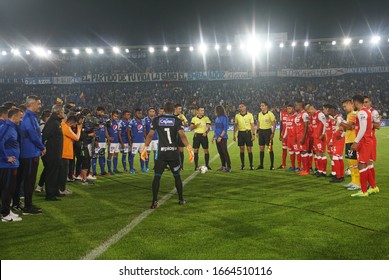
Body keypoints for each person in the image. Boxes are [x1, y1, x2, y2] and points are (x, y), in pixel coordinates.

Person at [141, 101, 194, 209]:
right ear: (173, 110)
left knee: (157, 177)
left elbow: (150, 135)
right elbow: (182, 135)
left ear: (164, 109)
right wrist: (189, 148)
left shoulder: (157, 120)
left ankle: (154, 201)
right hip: (173, 153)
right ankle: (181, 199)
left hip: (161, 154)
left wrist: (144, 148)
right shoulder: (177, 120)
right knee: (177, 177)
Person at [17, 95, 46, 214]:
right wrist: (41, 146)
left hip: (31, 152)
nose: (40, 106)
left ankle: (27, 205)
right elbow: (32, 134)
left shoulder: (30, 116)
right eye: (38, 104)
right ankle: (27, 208)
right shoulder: (28, 117)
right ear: (31, 104)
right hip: (29, 153)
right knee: (29, 181)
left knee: (29, 181)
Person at [350, 95, 379, 197]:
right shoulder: (366, 111)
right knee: (367, 164)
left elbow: (363, 128)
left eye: (353, 103)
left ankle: (363, 191)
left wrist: (356, 142)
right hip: (368, 141)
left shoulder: (362, 112)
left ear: (356, 103)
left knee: (361, 165)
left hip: (364, 141)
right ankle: (374, 187)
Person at [0, 108, 23, 222]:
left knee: (10, 189)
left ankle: (7, 210)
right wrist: (6, 157)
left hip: (12, 164)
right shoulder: (6, 127)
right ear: (14, 117)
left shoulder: (12, 128)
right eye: (20, 116)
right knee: (6, 189)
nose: (21, 119)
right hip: (6, 165)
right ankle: (5, 214)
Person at [42, 105, 65, 201]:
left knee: (55, 173)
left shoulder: (56, 122)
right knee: (51, 173)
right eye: (63, 112)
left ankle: (54, 191)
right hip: (52, 154)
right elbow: (45, 136)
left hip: (56, 153)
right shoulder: (53, 123)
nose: (64, 113)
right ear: (58, 113)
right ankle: (50, 195)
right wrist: (44, 148)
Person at [59, 115, 82, 195]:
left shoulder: (62, 125)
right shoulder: (66, 127)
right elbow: (76, 138)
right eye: (74, 124)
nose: (74, 126)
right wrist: (79, 129)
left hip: (63, 152)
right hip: (65, 153)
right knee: (64, 173)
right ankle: (61, 189)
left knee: (63, 172)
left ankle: (62, 188)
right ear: (72, 122)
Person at [342, 99, 360, 190]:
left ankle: (358, 183)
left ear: (351, 104)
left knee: (354, 162)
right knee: (351, 162)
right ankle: (354, 181)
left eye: (345, 106)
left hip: (353, 140)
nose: (344, 108)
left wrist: (340, 122)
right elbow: (349, 127)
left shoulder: (353, 113)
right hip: (348, 140)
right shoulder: (349, 115)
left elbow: (349, 126)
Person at [363, 96, 380, 192]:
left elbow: (378, 126)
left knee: (369, 162)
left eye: (366, 102)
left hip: (370, 139)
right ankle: (369, 183)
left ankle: (372, 184)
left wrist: (368, 123)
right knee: (364, 162)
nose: (365, 104)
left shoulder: (374, 112)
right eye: (364, 102)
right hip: (363, 140)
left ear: (370, 102)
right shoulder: (361, 112)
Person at [233, 102, 255, 170]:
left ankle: (251, 165)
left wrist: (253, 134)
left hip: (248, 133)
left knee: (249, 149)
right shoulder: (237, 116)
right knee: (241, 149)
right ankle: (242, 165)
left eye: (242, 106)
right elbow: (235, 126)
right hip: (240, 133)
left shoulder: (250, 115)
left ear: (245, 107)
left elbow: (252, 126)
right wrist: (234, 135)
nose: (241, 108)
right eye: (240, 107)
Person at [308, 104, 327, 177]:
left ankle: (324, 172)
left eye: (310, 111)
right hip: (315, 138)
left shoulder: (320, 114)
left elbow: (325, 124)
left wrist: (323, 134)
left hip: (320, 138)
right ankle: (320, 170)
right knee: (317, 154)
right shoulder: (313, 116)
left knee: (322, 154)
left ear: (312, 108)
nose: (310, 113)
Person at [190, 106, 212, 171]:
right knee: (196, 150)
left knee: (206, 150)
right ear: (198, 111)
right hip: (197, 136)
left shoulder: (206, 118)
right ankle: (196, 166)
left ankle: (207, 165)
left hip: (203, 136)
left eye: (203, 110)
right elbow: (191, 128)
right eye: (201, 110)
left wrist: (206, 132)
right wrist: (196, 126)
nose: (203, 112)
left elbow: (208, 127)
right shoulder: (194, 119)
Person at [328, 106, 346, 183]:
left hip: (339, 140)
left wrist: (341, 136)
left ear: (334, 110)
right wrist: (332, 140)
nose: (329, 112)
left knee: (335, 157)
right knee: (339, 158)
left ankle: (338, 177)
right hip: (336, 139)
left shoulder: (339, 118)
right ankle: (341, 175)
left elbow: (345, 127)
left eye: (330, 110)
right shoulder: (334, 119)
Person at [256, 102, 276, 170]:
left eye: (263, 106)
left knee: (270, 149)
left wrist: (273, 133)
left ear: (266, 106)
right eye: (261, 106)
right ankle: (261, 165)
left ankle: (272, 165)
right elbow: (258, 123)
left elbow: (274, 124)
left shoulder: (270, 114)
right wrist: (257, 132)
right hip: (261, 132)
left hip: (268, 132)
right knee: (261, 149)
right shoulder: (259, 114)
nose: (261, 107)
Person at [35, 110, 52, 193]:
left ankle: (41, 185)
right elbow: (42, 139)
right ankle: (40, 185)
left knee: (48, 168)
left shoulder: (43, 125)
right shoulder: (43, 126)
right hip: (43, 150)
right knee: (48, 167)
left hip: (43, 149)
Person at [212, 105, 231, 172]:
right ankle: (223, 166)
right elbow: (216, 129)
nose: (215, 112)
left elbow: (225, 129)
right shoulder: (217, 118)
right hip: (217, 138)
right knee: (220, 152)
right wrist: (213, 137)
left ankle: (228, 167)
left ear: (218, 110)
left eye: (216, 110)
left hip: (223, 138)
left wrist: (220, 137)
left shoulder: (224, 118)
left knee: (225, 152)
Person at [294, 101, 310, 176]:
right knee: (301, 152)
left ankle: (307, 170)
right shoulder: (298, 114)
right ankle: (304, 169)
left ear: (301, 106)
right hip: (298, 136)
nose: (296, 106)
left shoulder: (304, 114)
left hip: (303, 136)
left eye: (297, 105)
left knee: (304, 152)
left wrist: (303, 137)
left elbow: (306, 126)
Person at [92, 106, 109, 176]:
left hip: (103, 141)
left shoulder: (104, 119)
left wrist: (108, 138)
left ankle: (102, 171)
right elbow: (93, 130)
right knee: (95, 156)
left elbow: (105, 130)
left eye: (103, 112)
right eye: (100, 111)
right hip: (97, 141)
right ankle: (94, 172)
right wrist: (95, 140)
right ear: (97, 111)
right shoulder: (94, 119)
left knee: (102, 156)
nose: (102, 113)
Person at [129, 108, 146, 173]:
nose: (140, 114)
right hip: (135, 141)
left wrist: (146, 139)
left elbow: (144, 131)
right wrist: (130, 139)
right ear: (135, 113)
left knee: (142, 155)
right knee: (132, 155)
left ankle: (142, 168)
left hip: (142, 141)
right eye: (139, 113)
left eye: (141, 113)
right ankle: (131, 169)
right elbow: (129, 131)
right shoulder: (132, 121)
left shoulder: (142, 121)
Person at [282, 104, 298, 171]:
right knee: (291, 152)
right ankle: (293, 166)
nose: (288, 110)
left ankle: (299, 167)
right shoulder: (288, 117)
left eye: (290, 108)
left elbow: (298, 128)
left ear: (293, 109)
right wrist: (284, 136)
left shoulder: (296, 117)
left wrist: (296, 136)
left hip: (295, 138)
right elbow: (286, 128)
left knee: (297, 152)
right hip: (289, 138)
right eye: (287, 108)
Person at [174, 104, 188, 170]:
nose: (180, 110)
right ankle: (174, 165)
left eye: (181, 109)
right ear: (175, 109)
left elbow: (186, 124)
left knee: (181, 150)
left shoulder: (182, 116)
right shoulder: (172, 116)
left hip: (180, 135)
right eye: (179, 109)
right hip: (173, 135)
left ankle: (181, 165)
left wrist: (182, 120)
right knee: (173, 150)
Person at [107, 110, 121, 175]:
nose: (116, 117)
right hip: (111, 141)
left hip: (117, 141)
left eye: (117, 116)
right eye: (115, 116)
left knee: (116, 155)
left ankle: (115, 169)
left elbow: (118, 132)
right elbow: (105, 130)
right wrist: (108, 138)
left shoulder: (117, 122)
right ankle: (109, 170)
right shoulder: (108, 122)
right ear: (112, 115)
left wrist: (120, 141)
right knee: (110, 155)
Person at [278, 103, 289, 169]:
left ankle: (297, 167)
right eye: (284, 106)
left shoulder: (293, 113)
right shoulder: (282, 112)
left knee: (295, 151)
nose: (285, 108)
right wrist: (280, 134)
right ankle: (283, 164)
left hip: (291, 134)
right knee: (284, 149)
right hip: (284, 134)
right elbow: (281, 123)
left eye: (286, 106)